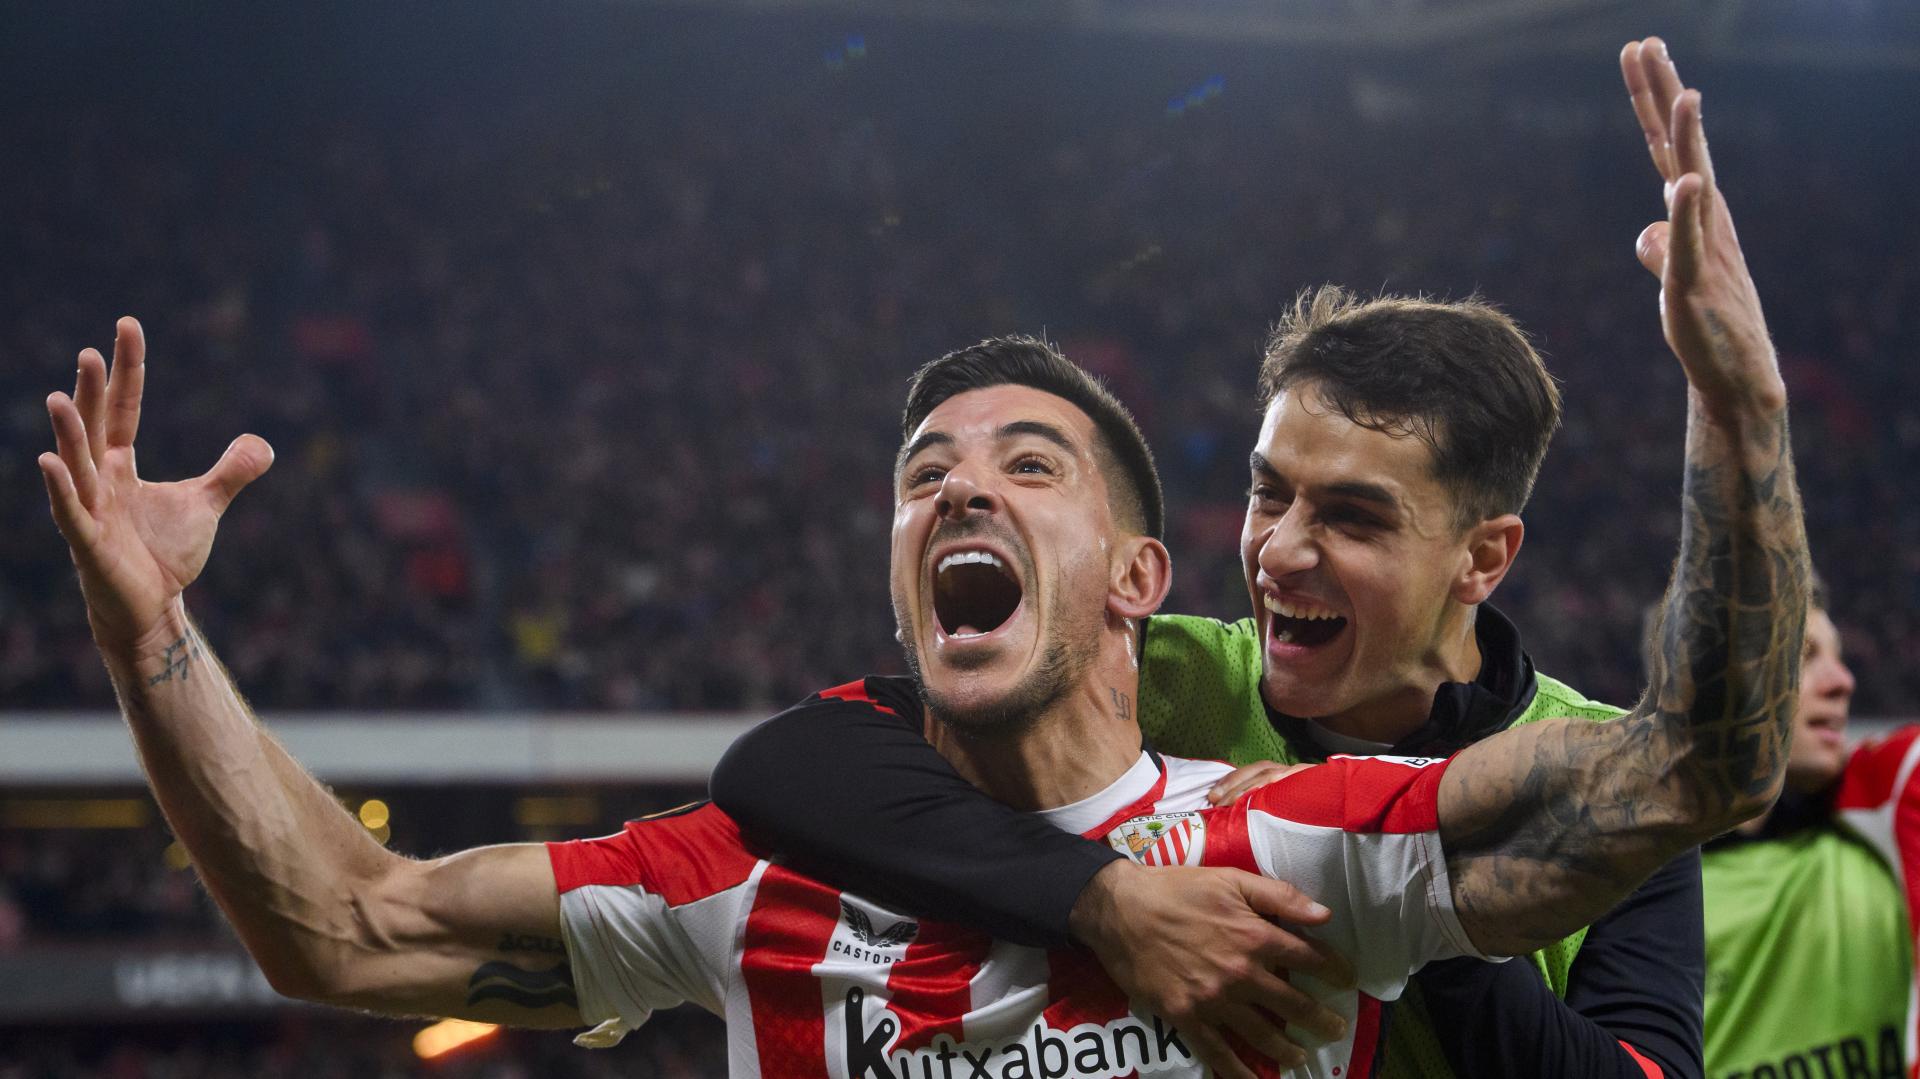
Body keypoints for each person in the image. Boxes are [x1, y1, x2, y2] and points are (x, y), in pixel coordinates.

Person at [35, 40, 1804, 1079]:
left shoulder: (1299, 840)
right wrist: (156, 638)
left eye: (1028, 461)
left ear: (1130, 576)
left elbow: (1704, 765)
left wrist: (1738, 415)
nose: (959, 489)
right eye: (921, 474)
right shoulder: (757, 861)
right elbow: (346, 925)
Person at [710, 37, 1720, 1078]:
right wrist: (1100, 896)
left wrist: (1394, 875)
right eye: (1266, 489)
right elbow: (796, 765)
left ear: (1483, 558)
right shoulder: (1173, 679)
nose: (1278, 550)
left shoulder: (1593, 764)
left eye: (1354, 517)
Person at [1693, 581, 1919, 1079]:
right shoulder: (1632, 893)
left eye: (1838, 656)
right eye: (1806, 655)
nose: (1843, 681)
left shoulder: (1880, 835)